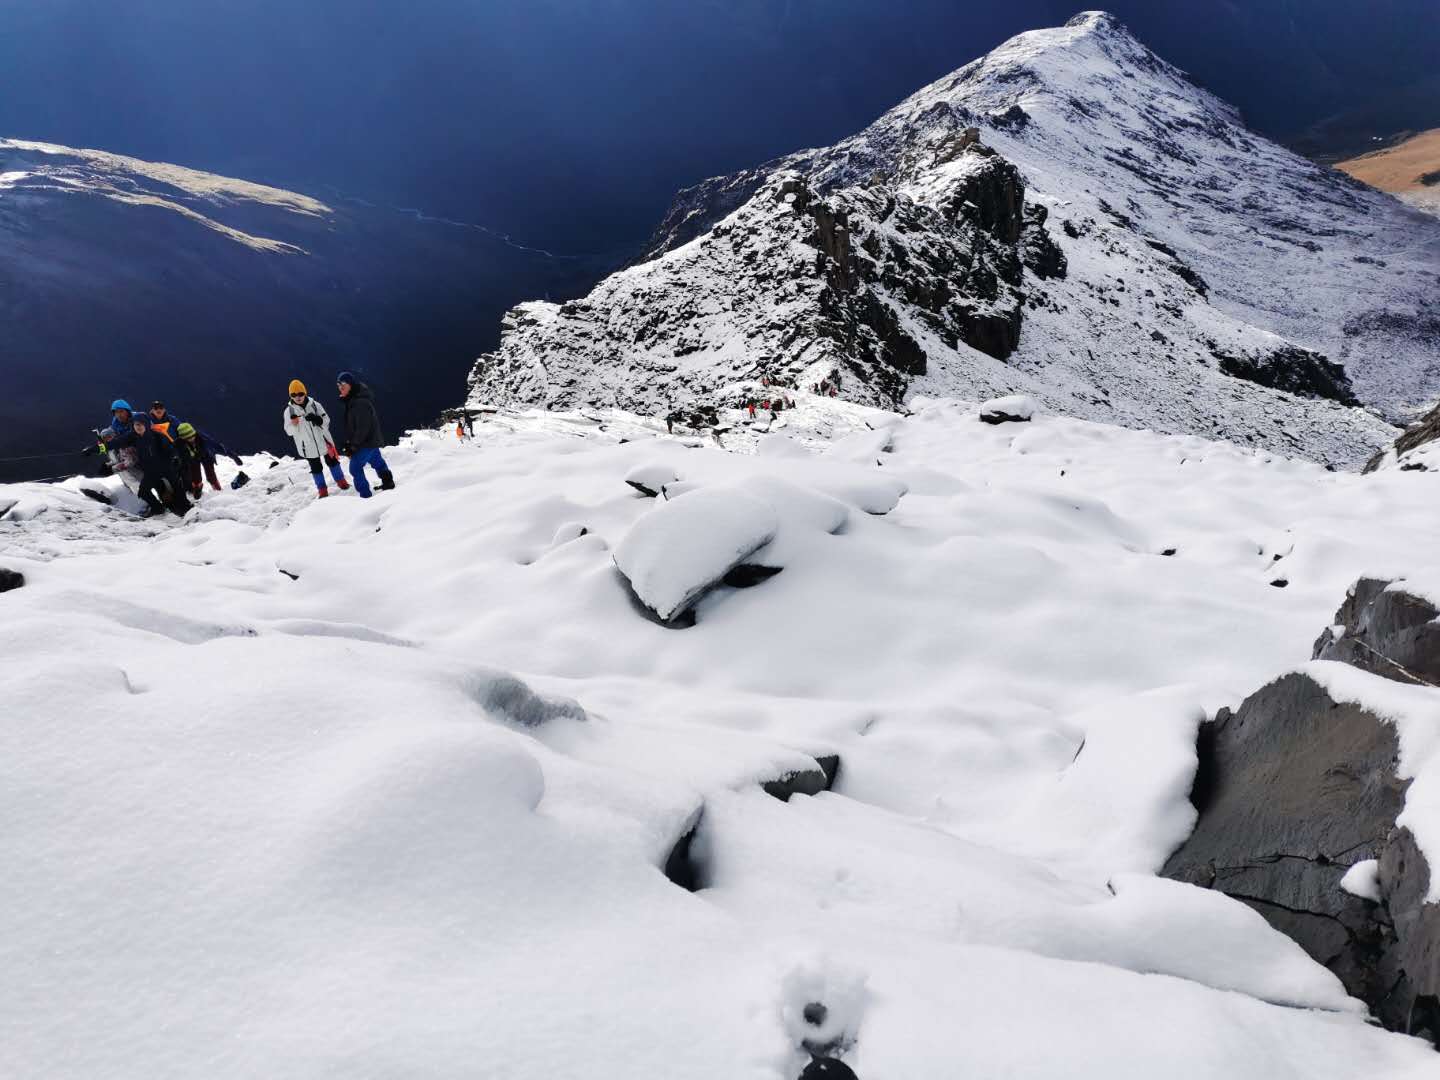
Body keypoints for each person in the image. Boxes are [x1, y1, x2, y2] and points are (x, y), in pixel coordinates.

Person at [283, 379, 350, 498]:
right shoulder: (289, 411)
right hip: (307, 445)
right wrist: (294, 424)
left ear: (305, 393)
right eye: (293, 395)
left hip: (323, 440)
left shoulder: (315, 405)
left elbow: (327, 420)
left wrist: (318, 420)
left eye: (300, 394)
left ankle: (342, 482)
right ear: (290, 396)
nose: (297, 397)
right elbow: (288, 431)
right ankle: (322, 490)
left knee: (333, 461)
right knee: (316, 468)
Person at [336, 371, 395, 498]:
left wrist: (353, 446)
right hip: (371, 441)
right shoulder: (354, 400)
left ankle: (365, 496)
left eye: (343, 384)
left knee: (355, 468)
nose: (340, 387)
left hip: (366, 443)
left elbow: (363, 428)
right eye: (338, 385)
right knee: (377, 462)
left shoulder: (359, 403)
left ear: (351, 385)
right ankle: (388, 482)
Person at [130, 415, 189, 517]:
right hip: (151, 471)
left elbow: (169, 449)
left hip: (165, 467)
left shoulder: (157, 436)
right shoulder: (134, 436)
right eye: (136, 425)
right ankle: (160, 508)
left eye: (141, 424)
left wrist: (174, 458)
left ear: (147, 425)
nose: (138, 427)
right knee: (146, 491)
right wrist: (102, 447)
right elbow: (116, 442)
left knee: (176, 487)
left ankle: (184, 507)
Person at [175, 422, 242, 497]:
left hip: (206, 456)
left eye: (192, 436)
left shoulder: (202, 437)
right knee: (196, 477)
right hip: (192, 459)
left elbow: (217, 446)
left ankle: (218, 491)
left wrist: (233, 455)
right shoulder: (179, 443)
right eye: (188, 438)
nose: (191, 439)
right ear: (182, 438)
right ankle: (197, 491)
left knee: (211, 475)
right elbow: (178, 457)